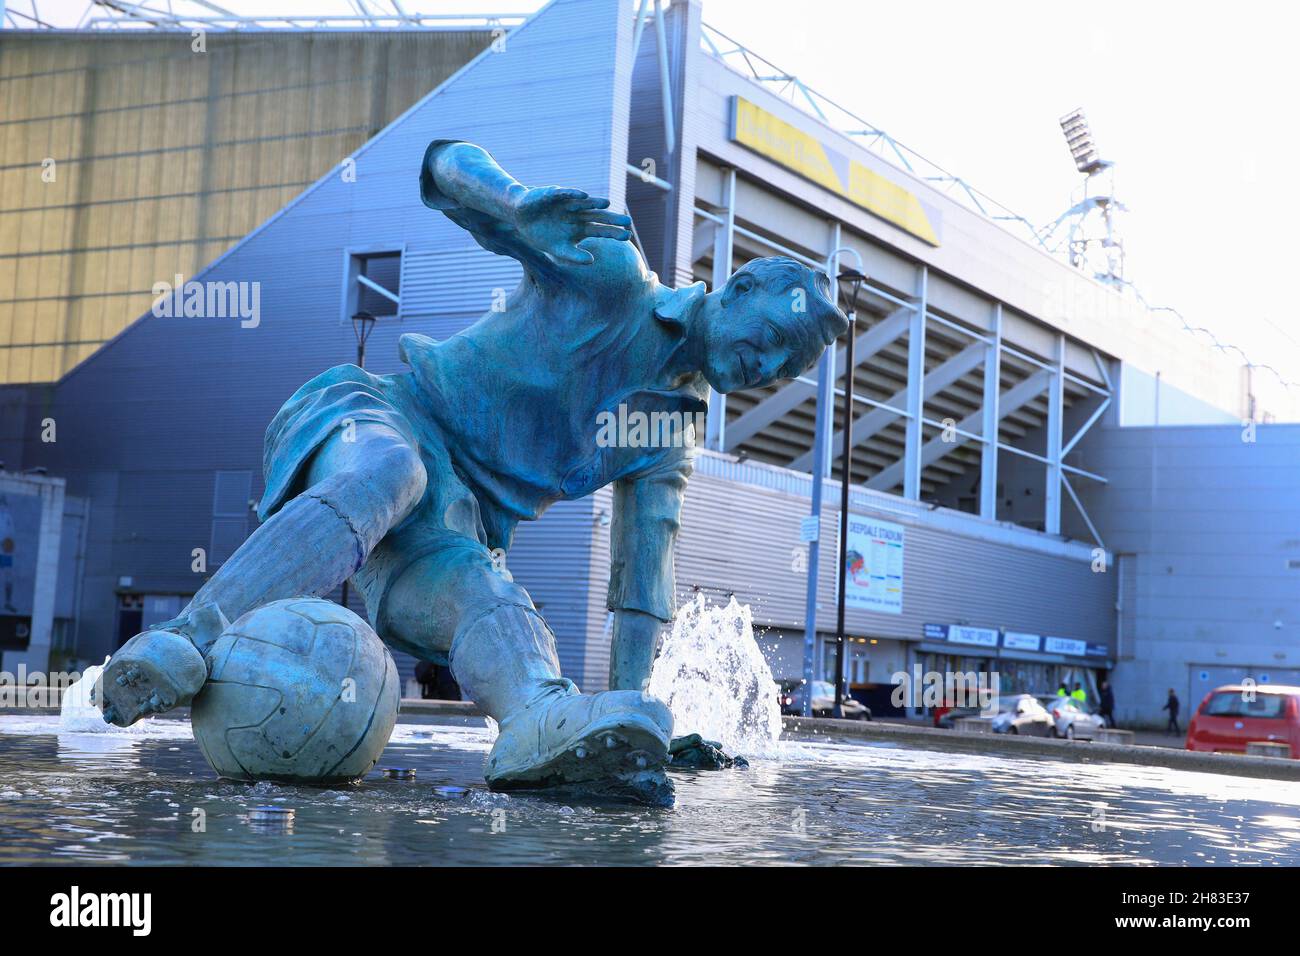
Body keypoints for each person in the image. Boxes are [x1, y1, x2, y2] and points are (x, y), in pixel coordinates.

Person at [94, 138, 847, 798]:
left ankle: (533, 730)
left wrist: (635, 725)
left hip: (450, 530)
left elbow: (641, 585)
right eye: (773, 337)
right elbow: (446, 163)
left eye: (787, 367)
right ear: (741, 289)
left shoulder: (670, 432)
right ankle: (186, 639)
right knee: (394, 472)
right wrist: (513, 207)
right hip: (384, 420)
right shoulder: (611, 273)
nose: (767, 364)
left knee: (498, 603)